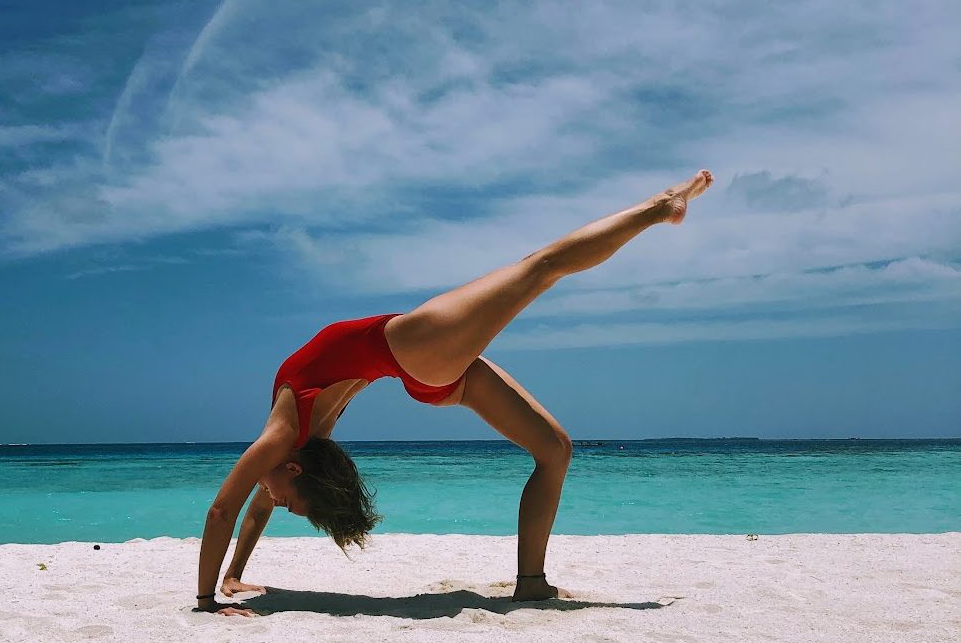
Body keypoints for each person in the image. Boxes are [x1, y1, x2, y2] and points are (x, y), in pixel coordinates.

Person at [195, 171, 714, 617]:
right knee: (539, 275)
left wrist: (207, 601)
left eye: (287, 502)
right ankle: (532, 583)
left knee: (553, 428)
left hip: (411, 350)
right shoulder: (296, 448)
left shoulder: (283, 436)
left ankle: (658, 207)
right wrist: (233, 576)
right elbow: (257, 505)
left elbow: (224, 512)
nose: (275, 502)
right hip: (418, 364)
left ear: (293, 469)